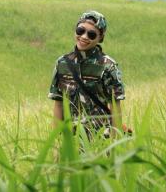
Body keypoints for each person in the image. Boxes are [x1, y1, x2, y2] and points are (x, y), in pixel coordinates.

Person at [48, 11, 126, 139]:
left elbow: (115, 107)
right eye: (80, 30)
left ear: (100, 38)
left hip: (100, 138)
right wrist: (55, 143)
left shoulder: (108, 66)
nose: (84, 37)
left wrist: (114, 144)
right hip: (71, 139)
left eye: (91, 34)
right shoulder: (62, 63)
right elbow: (58, 103)